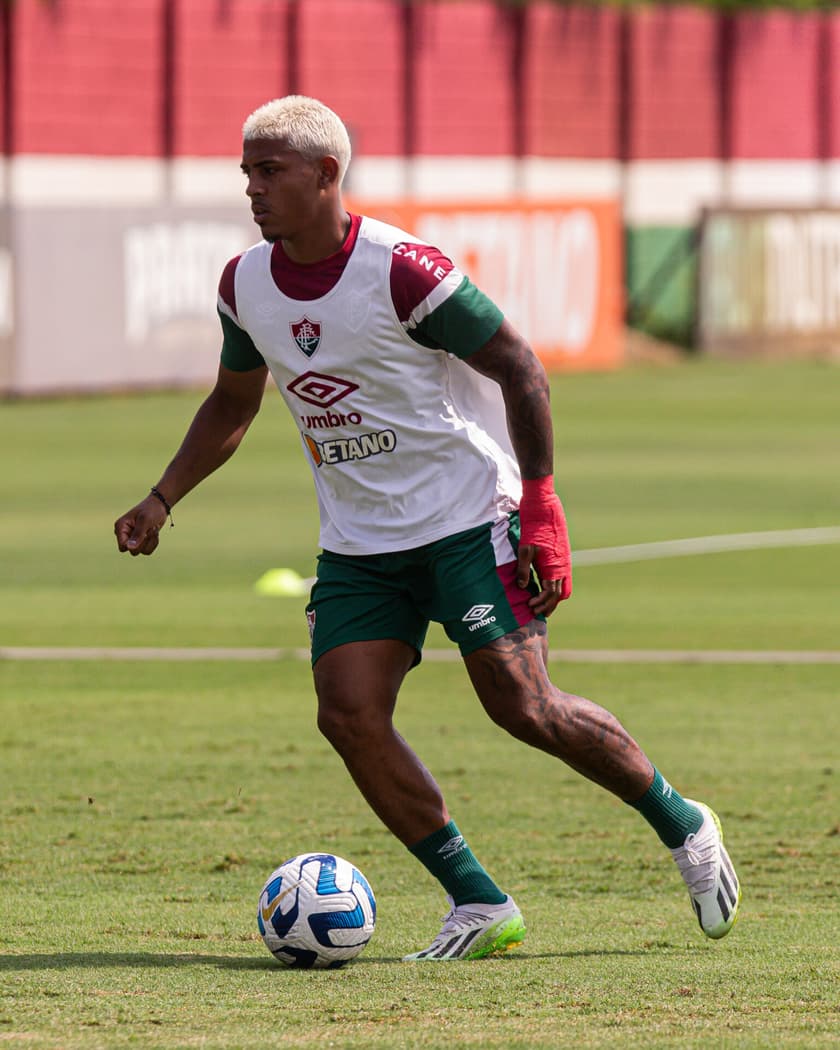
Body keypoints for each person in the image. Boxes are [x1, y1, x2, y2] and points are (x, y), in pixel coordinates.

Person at [114, 95, 740, 961]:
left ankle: (683, 823)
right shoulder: (244, 284)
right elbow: (233, 400)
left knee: (524, 708)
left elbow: (520, 366)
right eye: (247, 173)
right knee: (348, 714)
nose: (252, 189)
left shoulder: (404, 270)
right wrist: (162, 496)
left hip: (466, 519)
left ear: (327, 174)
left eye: (269, 171)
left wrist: (545, 503)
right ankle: (479, 903)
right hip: (360, 543)